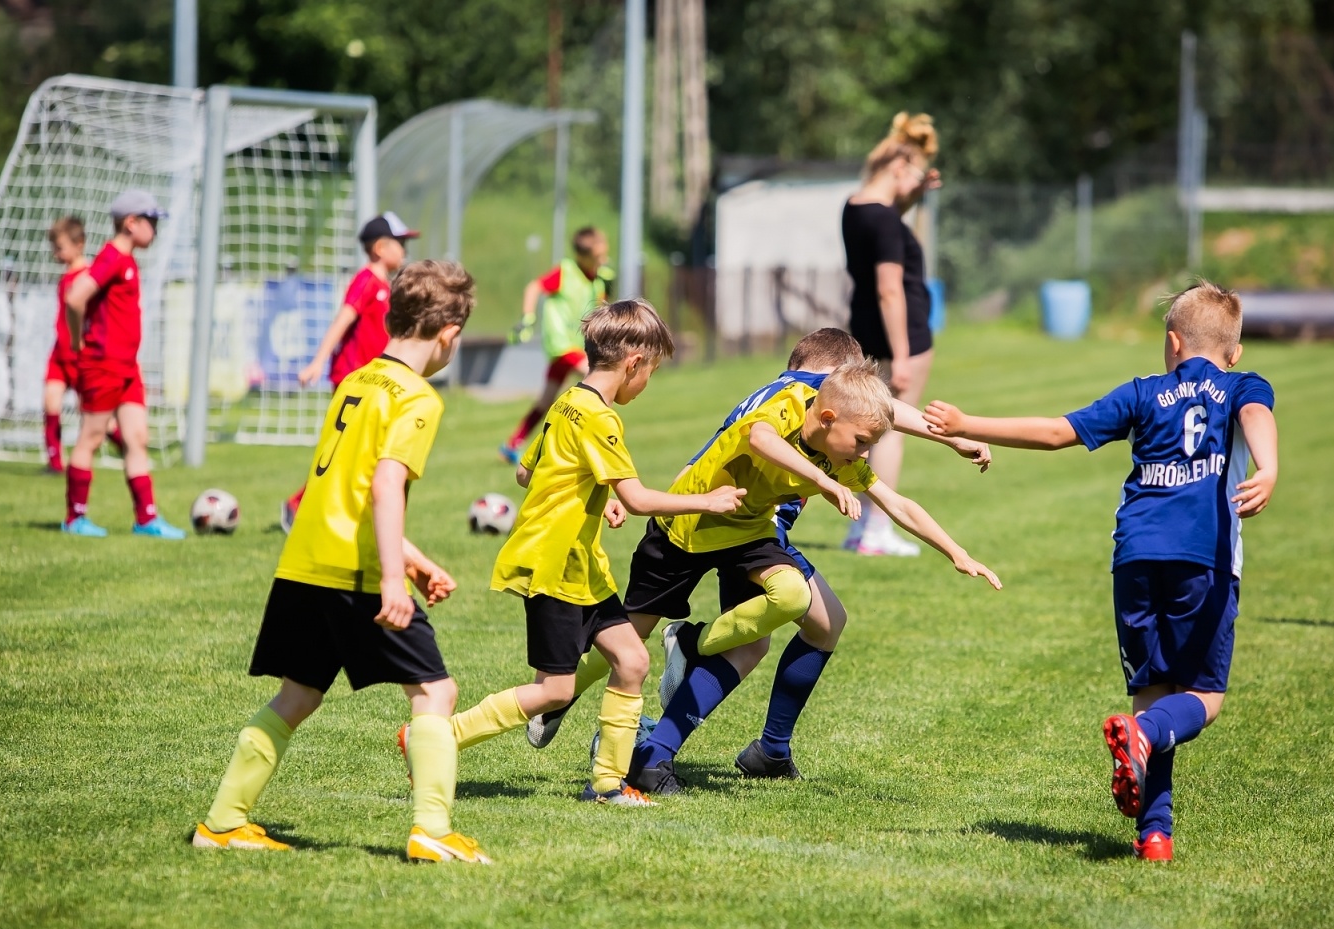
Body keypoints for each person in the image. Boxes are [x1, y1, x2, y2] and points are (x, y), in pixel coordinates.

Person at [524, 328, 994, 782]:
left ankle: (698, 746)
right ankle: (584, 701)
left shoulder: (831, 433)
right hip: (692, 521)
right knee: (633, 638)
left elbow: (891, 475)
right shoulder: (792, 395)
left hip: (748, 528)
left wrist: (954, 527)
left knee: (789, 627)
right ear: (824, 382)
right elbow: (769, 437)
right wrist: (835, 480)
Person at [925, 281, 1278, 862]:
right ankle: (1144, 751)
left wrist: (968, 422)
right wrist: (1267, 468)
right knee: (1203, 697)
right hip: (1203, 557)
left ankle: (1154, 835)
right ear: (1234, 352)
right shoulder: (1243, 384)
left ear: (1171, 342)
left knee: (1150, 696)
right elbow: (1256, 413)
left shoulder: (1143, 392)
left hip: (1134, 556)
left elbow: (1057, 431)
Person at [194, 260, 485, 863]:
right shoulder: (418, 397)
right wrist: (391, 578)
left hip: (304, 562)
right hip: (354, 576)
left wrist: (414, 558)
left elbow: (340, 490)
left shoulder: (356, 381)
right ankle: (432, 830)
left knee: (297, 696)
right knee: (436, 692)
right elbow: (382, 487)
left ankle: (223, 821)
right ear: (449, 332)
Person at [415, 299, 745, 807]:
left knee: (632, 660)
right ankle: (435, 739)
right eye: (650, 372)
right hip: (555, 563)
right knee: (554, 690)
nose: (646, 384)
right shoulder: (600, 418)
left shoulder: (568, 400)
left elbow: (528, 471)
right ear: (634, 363)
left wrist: (599, 492)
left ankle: (609, 785)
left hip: (581, 564)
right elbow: (639, 500)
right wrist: (707, 500)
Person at [840, 111, 942, 557]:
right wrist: (902, 354)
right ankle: (879, 530)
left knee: (865, 425)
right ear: (899, 167)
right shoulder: (883, 221)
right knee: (892, 428)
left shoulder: (856, 207)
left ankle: (860, 528)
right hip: (903, 334)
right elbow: (890, 290)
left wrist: (913, 195)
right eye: (914, 175)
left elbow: (888, 219)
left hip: (863, 329)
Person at [283, 212, 418, 533]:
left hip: (374, 384)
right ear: (380, 248)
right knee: (345, 450)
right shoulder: (367, 280)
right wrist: (317, 361)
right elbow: (343, 319)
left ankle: (352, 512)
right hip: (352, 380)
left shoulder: (386, 285)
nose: (405, 251)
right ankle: (299, 505)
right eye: (401, 244)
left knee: (364, 452)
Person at [60, 190, 184, 539]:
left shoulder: (127, 260)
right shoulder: (113, 256)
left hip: (128, 367)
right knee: (92, 436)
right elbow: (75, 297)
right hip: (103, 364)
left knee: (136, 437)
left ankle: (146, 519)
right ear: (132, 223)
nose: (155, 230)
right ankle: (74, 518)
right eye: (152, 222)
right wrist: (76, 341)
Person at [498, 226, 615, 465]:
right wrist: (528, 317)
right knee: (599, 381)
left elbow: (600, 311)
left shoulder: (598, 280)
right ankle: (589, 445)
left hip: (578, 346)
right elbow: (533, 287)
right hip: (561, 344)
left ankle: (513, 444)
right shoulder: (567, 271)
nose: (603, 260)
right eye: (599, 256)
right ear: (584, 255)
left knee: (547, 400)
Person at [41, 217, 108, 472]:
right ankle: (54, 463)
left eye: (60, 247)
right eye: (54, 248)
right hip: (60, 352)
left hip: (81, 354)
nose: (56, 253)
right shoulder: (65, 277)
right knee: (50, 401)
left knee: (94, 415)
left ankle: (127, 446)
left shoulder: (90, 276)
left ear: (79, 244)